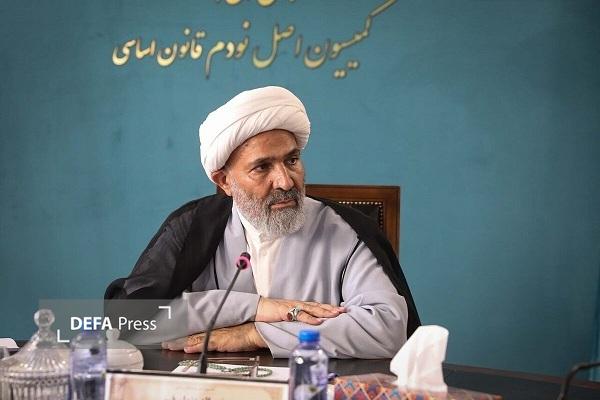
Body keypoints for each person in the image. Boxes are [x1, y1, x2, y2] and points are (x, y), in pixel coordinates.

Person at [105, 86, 420, 358]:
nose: (285, 181)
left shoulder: (347, 231)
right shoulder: (193, 229)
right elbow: (128, 324)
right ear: (224, 181)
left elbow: (388, 329)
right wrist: (254, 307)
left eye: (292, 160)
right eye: (262, 167)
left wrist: (253, 333)